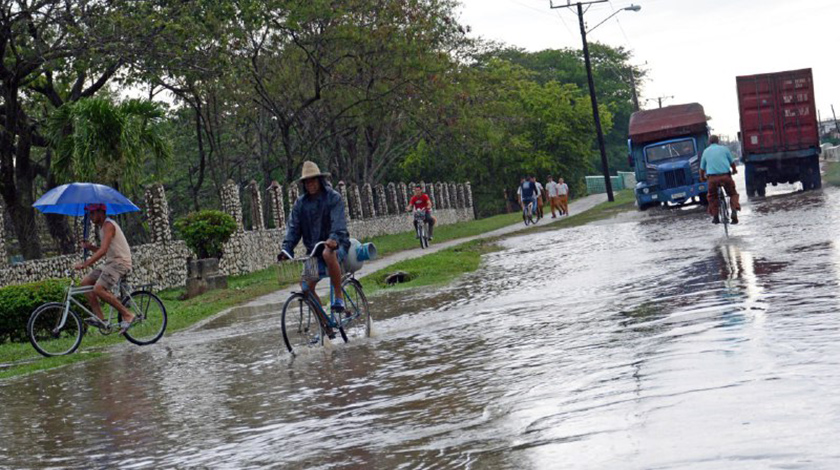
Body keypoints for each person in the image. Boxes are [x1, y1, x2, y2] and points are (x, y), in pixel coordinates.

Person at [278, 161, 350, 338]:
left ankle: (339, 296)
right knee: (305, 287)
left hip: (336, 246)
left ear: (319, 180)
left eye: (313, 180)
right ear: (304, 184)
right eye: (307, 182)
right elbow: (293, 229)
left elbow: (338, 223)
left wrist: (333, 239)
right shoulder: (300, 204)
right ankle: (326, 325)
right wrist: (286, 250)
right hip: (313, 253)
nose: (310, 184)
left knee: (327, 253)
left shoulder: (333, 198)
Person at [73, 203, 135, 334]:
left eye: (93, 213)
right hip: (110, 262)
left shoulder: (108, 226)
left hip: (120, 263)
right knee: (84, 283)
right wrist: (90, 247)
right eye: (90, 213)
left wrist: (85, 264)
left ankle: (127, 314)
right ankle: (100, 318)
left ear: (101, 212)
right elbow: (105, 251)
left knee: (99, 289)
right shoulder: (102, 228)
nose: (90, 217)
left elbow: (103, 251)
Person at [700, 135, 740, 224]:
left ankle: (715, 217)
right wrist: (734, 170)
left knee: (712, 197)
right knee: (733, 194)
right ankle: (734, 212)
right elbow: (732, 163)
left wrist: (702, 178)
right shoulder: (724, 149)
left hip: (712, 179)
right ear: (718, 141)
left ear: (709, 142)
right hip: (726, 177)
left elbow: (702, 168)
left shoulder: (705, 151)